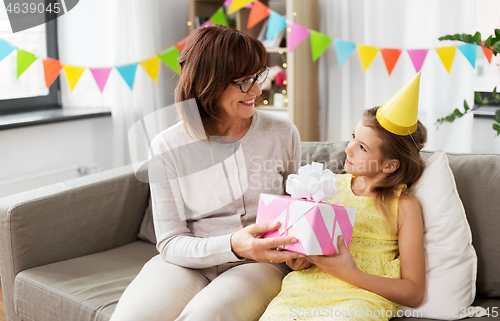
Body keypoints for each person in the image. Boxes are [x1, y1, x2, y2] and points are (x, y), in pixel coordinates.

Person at [109, 25, 302, 321]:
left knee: (208, 315)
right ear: (208, 84)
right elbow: (171, 241)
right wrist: (231, 245)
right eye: (243, 81)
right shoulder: (167, 145)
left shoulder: (282, 133)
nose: (256, 90)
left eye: (258, 75)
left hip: (259, 262)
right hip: (187, 261)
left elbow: (298, 209)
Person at [260, 73, 427, 321]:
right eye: (352, 137)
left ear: (389, 166)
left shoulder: (404, 207)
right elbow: (306, 258)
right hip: (303, 291)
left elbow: (414, 293)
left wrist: (351, 274)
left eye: (362, 147)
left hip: (360, 297)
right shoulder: (326, 186)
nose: (348, 148)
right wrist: (298, 258)